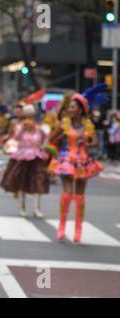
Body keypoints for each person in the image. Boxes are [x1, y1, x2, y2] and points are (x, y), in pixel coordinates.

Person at [47, 94, 102, 242]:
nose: (70, 110)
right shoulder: (64, 123)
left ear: (80, 109)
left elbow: (95, 142)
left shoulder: (88, 124)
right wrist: (55, 153)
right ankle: (61, 226)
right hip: (67, 161)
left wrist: (87, 143)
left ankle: (78, 229)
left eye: (73, 107)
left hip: (83, 161)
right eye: (69, 107)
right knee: (67, 194)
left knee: (80, 196)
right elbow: (50, 139)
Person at [0, 104, 49, 218]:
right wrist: (22, 128)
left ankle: (37, 208)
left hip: (36, 156)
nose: (30, 119)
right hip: (22, 156)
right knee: (22, 181)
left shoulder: (38, 127)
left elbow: (45, 137)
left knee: (39, 180)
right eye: (27, 116)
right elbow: (15, 138)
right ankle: (22, 208)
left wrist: (43, 145)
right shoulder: (19, 127)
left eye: (31, 116)